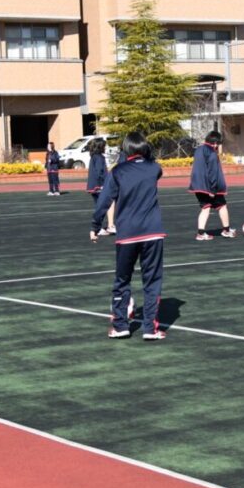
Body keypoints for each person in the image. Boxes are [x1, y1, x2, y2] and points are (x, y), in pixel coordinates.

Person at [90, 130, 166, 341]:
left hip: (127, 235)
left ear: (125, 150)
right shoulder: (153, 169)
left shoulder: (118, 172)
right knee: (152, 282)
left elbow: (104, 201)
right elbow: (153, 164)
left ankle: (120, 325)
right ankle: (150, 329)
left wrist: (95, 225)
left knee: (122, 280)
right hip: (153, 232)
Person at [188, 130, 235, 241]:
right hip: (209, 187)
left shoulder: (199, 149)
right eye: (217, 143)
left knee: (205, 207)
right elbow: (213, 172)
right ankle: (226, 231)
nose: (217, 146)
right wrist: (213, 190)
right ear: (215, 143)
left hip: (197, 185)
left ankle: (200, 233)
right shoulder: (212, 153)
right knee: (222, 206)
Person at [86, 137, 116, 236]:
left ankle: (98, 228)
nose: (106, 147)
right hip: (98, 186)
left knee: (100, 206)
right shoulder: (99, 157)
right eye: (104, 145)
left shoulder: (94, 156)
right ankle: (110, 226)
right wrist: (103, 185)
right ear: (100, 146)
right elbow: (100, 172)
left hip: (93, 186)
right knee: (109, 203)